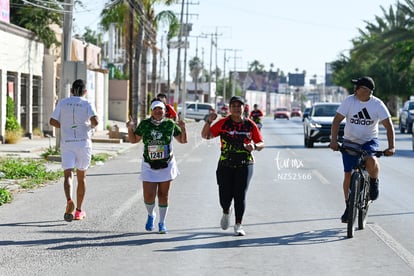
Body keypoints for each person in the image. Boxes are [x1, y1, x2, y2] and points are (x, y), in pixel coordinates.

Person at [329, 76, 395, 223]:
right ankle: (348, 206)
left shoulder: (377, 104)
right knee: (347, 175)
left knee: (371, 159)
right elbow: (337, 121)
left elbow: (389, 125)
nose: (355, 89)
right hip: (350, 141)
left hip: (369, 141)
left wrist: (391, 147)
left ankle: (373, 181)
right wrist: (333, 141)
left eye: (357, 86)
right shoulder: (349, 101)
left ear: (365, 90)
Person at [201, 96, 264, 236]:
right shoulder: (223, 123)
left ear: (243, 108)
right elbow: (206, 136)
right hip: (226, 163)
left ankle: (238, 224)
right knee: (225, 196)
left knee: (240, 195)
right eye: (233, 105)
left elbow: (261, 143)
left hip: (245, 163)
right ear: (230, 108)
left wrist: (253, 146)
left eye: (239, 105)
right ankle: (225, 211)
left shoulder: (250, 124)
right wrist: (208, 121)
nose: (236, 108)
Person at [127, 98, 187, 234]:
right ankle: (151, 215)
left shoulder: (170, 124)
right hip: (149, 165)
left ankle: (162, 222)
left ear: (165, 111)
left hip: (166, 164)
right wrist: (130, 127)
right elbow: (133, 140)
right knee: (148, 195)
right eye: (155, 109)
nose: (158, 112)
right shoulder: (145, 124)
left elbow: (183, 141)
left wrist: (183, 129)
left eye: (161, 109)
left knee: (163, 195)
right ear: (151, 111)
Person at [50, 79, 99, 222]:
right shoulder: (87, 103)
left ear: (71, 90)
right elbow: (95, 122)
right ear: (85, 91)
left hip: (67, 143)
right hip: (83, 143)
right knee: (81, 177)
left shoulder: (63, 102)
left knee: (68, 175)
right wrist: (88, 126)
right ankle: (78, 211)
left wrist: (65, 126)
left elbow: (52, 121)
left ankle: (69, 200)